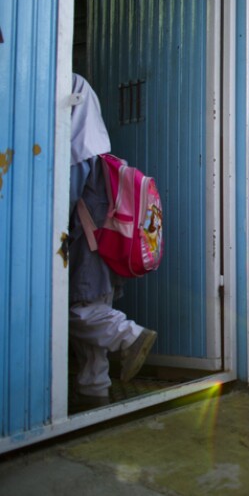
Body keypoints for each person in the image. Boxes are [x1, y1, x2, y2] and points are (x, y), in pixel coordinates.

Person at [68, 74, 157, 408]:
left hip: (88, 241)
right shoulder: (105, 163)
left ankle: (129, 336)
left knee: (74, 310)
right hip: (104, 242)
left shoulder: (83, 164)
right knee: (95, 306)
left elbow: (68, 192)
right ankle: (94, 391)